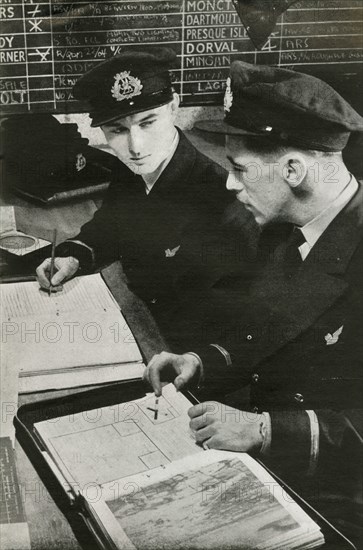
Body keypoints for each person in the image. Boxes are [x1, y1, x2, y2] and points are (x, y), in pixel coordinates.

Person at [144, 61, 363, 544]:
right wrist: (203, 362)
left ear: (293, 170)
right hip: (288, 468)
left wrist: (263, 430)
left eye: (239, 169)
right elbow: (275, 333)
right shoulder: (293, 228)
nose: (229, 184)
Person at [36, 47, 255, 326]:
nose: (135, 147)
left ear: (174, 107)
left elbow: (217, 317)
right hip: (132, 314)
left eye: (147, 123)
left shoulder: (221, 201)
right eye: (118, 130)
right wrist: (74, 256)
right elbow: (113, 224)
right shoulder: (133, 169)